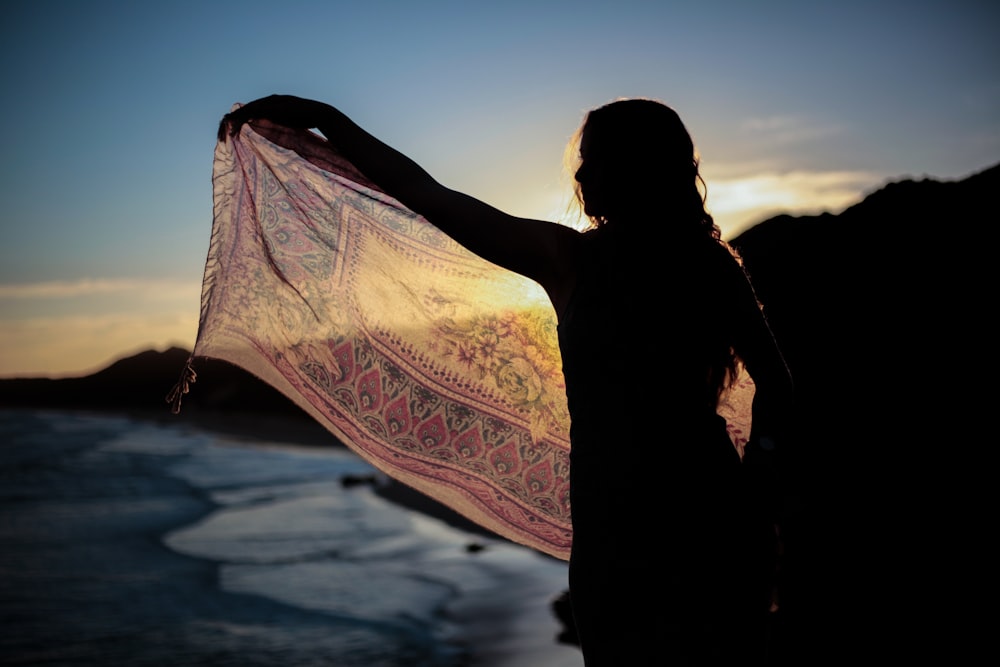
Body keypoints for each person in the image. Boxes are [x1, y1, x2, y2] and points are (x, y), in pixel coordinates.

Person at [221, 95, 794, 665]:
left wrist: (756, 490)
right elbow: (428, 198)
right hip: (625, 520)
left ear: (642, 164)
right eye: (582, 159)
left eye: (599, 159)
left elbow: (777, 383)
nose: (582, 173)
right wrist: (328, 119)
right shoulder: (584, 258)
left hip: (702, 519)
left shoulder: (688, 263)